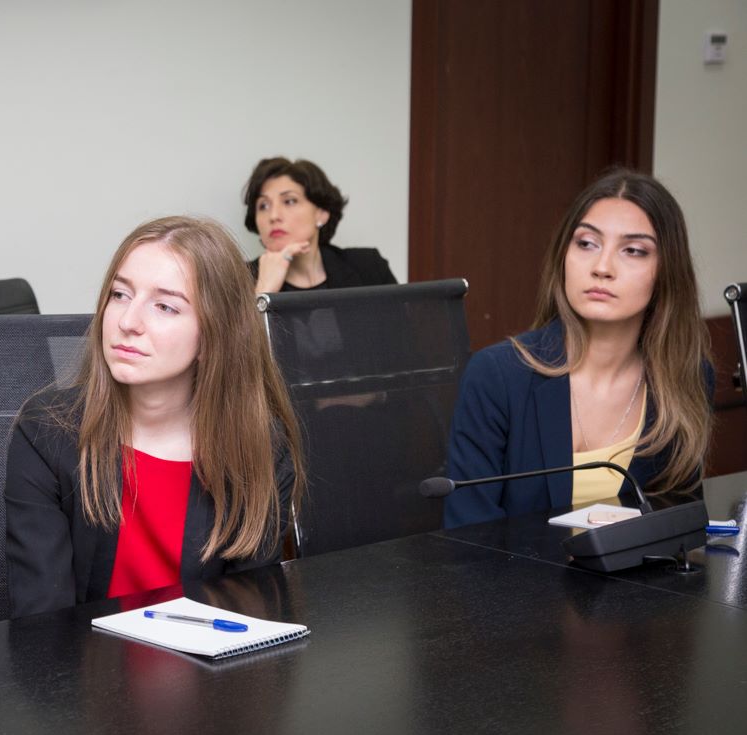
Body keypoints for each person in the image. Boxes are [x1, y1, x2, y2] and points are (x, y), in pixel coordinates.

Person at [4, 216, 304, 618]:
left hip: (206, 657)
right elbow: (44, 622)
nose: (127, 322)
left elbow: (245, 618)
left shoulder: (260, 446)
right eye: (120, 294)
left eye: (165, 306)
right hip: (80, 656)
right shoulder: (46, 433)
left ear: (215, 335)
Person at [443, 169, 713, 528]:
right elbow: (468, 536)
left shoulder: (685, 377)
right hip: (512, 568)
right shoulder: (496, 376)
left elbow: (678, 527)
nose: (602, 267)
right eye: (586, 243)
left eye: (633, 251)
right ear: (563, 256)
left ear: (666, 271)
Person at [243, 157, 396, 294]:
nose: (273, 216)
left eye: (289, 201)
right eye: (263, 206)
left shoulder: (368, 266)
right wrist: (264, 291)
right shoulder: (239, 279)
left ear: (322, 214)